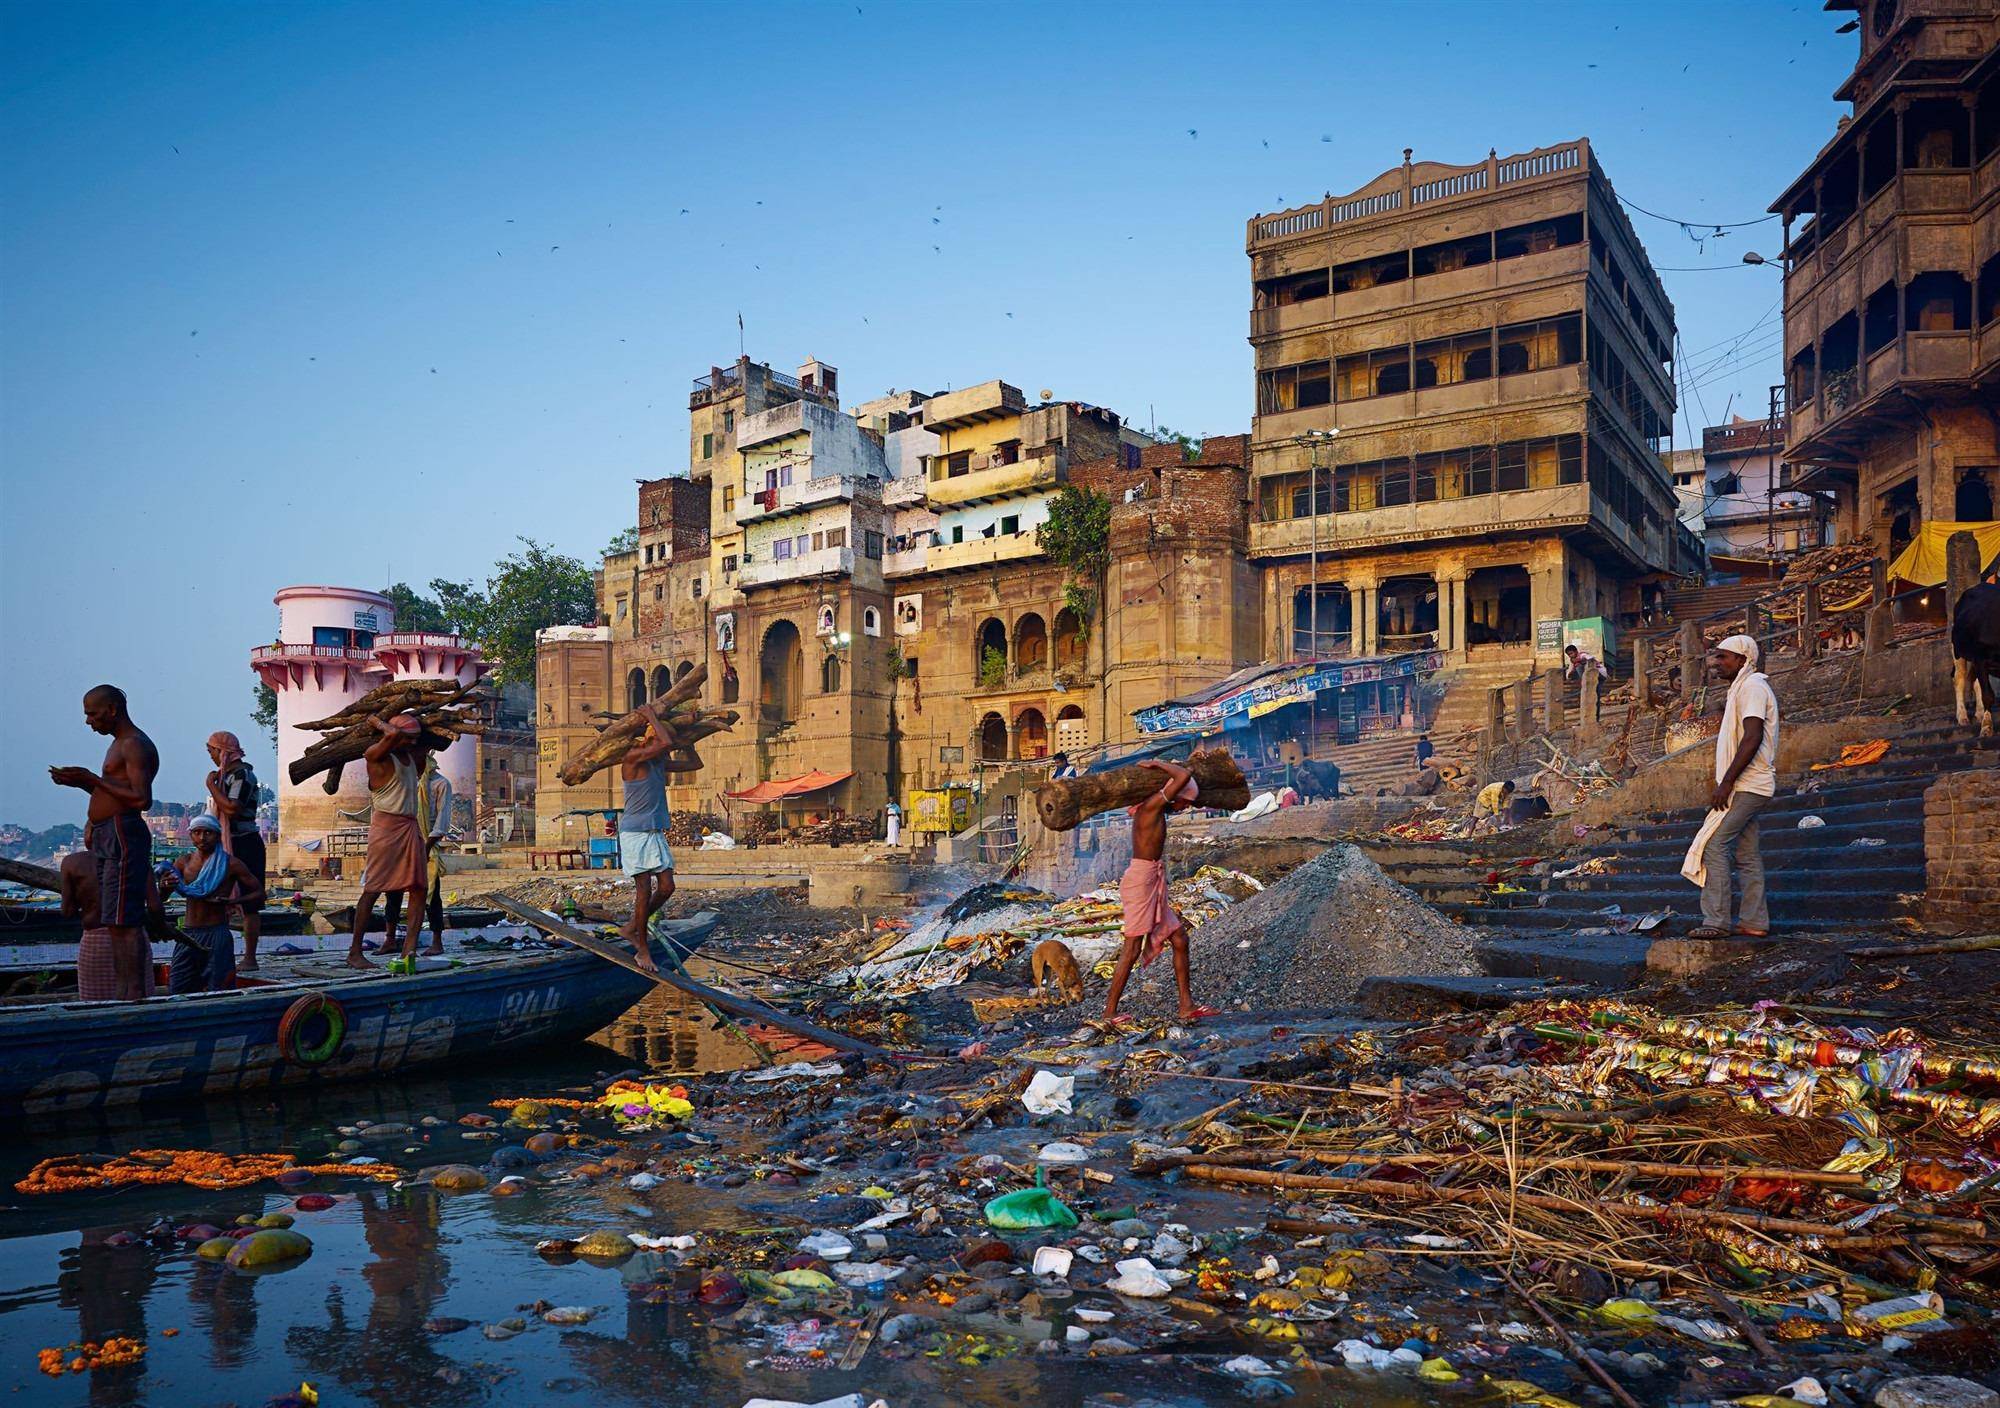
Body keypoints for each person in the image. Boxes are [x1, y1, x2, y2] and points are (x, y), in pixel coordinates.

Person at [49, 685, 159, 1001]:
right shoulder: (118, 746)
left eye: (92, 714)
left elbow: (141, 799)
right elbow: (113, 793)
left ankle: (133, 994)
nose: (89, 722)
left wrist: (93, 780)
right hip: (108, 835)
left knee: (125, 920)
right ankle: (123, 992)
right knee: (113, 920)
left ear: (112, 710)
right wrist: (83, 785)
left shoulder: (134, 745)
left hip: (123, 834)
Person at [1102, 757, 1214, 1026]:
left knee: (1179, 939)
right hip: (1141, 881)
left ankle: (1186, 1005)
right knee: (1131, 949)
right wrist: (1159, 764)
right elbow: (1183, 775)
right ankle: (1108, 1013)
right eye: (1185, 801)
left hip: (1151, 880)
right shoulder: (1151, 807)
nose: (1185, 806)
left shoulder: (1155, 809)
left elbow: (1183, 781)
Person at [1687, 635, 1779, 939]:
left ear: (1742, 660)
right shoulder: (1743, 688)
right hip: (1749, 784)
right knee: (1747, 854)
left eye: (1723, 657)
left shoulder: (1752, 687)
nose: (1716, 664)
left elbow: (1751, 737)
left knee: (1714, 846)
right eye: (1716, 657)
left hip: (1748, 785)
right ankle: (1754, 922)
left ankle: (1716, 922)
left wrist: (1726, 781)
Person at [345, 713, 429, 969]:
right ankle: (355, 952)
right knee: (374, 888)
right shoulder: (376, 757)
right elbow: (391, 736)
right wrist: (375, 720)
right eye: (408, 739)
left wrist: (419, 738)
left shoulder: (412, 758)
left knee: (418, 888)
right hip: (385, 828)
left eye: (416, 739)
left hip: (409, 826)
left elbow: (420, 761)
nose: (413, 743)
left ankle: (409, 950)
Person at [160, 813, 264, 993]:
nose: (202, 838)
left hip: (217, 932)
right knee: (178, 986)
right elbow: (162, 897)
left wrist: (233, 901)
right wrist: (163, 886)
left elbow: (259, 893)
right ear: (191, 835)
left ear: (217, 835)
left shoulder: (231, 863)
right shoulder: (183, 863)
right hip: (189, 933)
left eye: (208, 833)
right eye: (197, 832)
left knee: (220, 986)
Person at [617, 701, 677, 974]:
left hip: (653, 831)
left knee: (667, 888)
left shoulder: (657, 763)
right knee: (644, 891)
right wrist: (651, 715)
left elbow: (693, 762)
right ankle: (642, 947)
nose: (656, 735)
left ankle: (632, 926)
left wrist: (687, 741)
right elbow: (664, 742)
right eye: (651, 732)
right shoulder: (632, 758)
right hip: (634, 833)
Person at [204, 730, 266, 971]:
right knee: (221, 896)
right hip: (226, 841)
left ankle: (250, 958)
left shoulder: (241, 774)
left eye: (211, 751)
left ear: (222, 751)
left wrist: (211, 786)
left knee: (251, 901)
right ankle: (222, 954)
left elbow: (231, 808)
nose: (210, 756)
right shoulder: (225, 776)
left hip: (244, 842)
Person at [60, 848, 155, 1001]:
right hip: (134, 940)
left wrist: (87, 903)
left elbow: (67, 911)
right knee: (138, 1002)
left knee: (96, 1006)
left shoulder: (72, 862)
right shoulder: (138, 859)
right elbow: (155, 907)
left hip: (96, 942)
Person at [384, 747, 452, 959]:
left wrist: (424, 848)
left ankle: (437, 941)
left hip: (426, 845)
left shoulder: (441, 783)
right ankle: (390, 939)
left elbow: (442, 821)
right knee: (392, 892)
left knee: (432, 895)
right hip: (402, 843)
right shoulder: (405, 782)